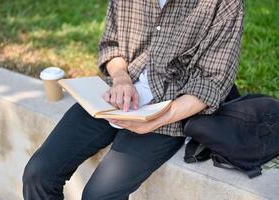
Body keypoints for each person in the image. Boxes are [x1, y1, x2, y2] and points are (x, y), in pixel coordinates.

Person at [22, 0, 244, 199]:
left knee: (99, 196)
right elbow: (111, 45)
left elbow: (212, 82)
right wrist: (121, 79)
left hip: (170, 109)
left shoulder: (224, 4)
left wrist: (156, 120)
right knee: (38, 174)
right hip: (114, 94)